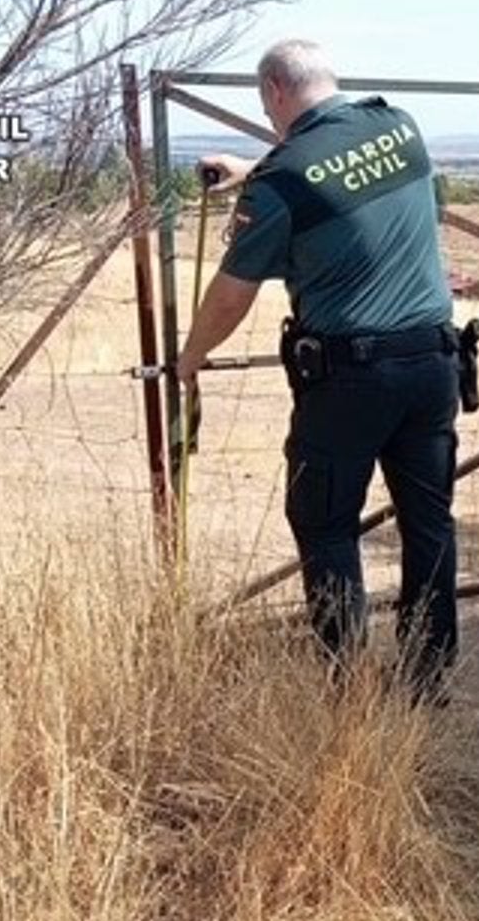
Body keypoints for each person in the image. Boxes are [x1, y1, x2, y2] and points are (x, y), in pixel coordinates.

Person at [178, 39, 460, 698]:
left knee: (325, 525)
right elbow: (332, 174)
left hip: (348, 382)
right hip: (434, 364)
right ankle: (428, 677)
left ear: (275, 92)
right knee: (429, 522)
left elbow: (229, 296)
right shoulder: (398, 125)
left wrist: (190, 360)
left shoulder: (284, 180)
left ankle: (347, 686)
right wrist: (255, 169)